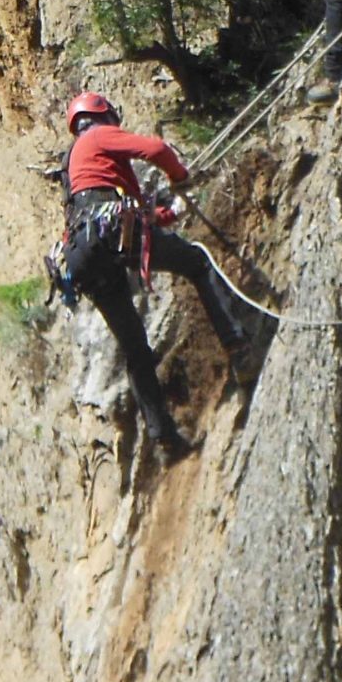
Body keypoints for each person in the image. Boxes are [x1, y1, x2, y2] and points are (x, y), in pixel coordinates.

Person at [47, 91, 259, 458]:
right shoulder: (96, 137)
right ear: (103, 115)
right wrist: (181, 176)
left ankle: (164, 437)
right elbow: (156, 149)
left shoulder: (75, 167)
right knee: (196, 262)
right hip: (110, 234)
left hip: (83, 255)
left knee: (135, 349)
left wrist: (167, 215)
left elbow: (119, 209)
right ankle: (238, 348)